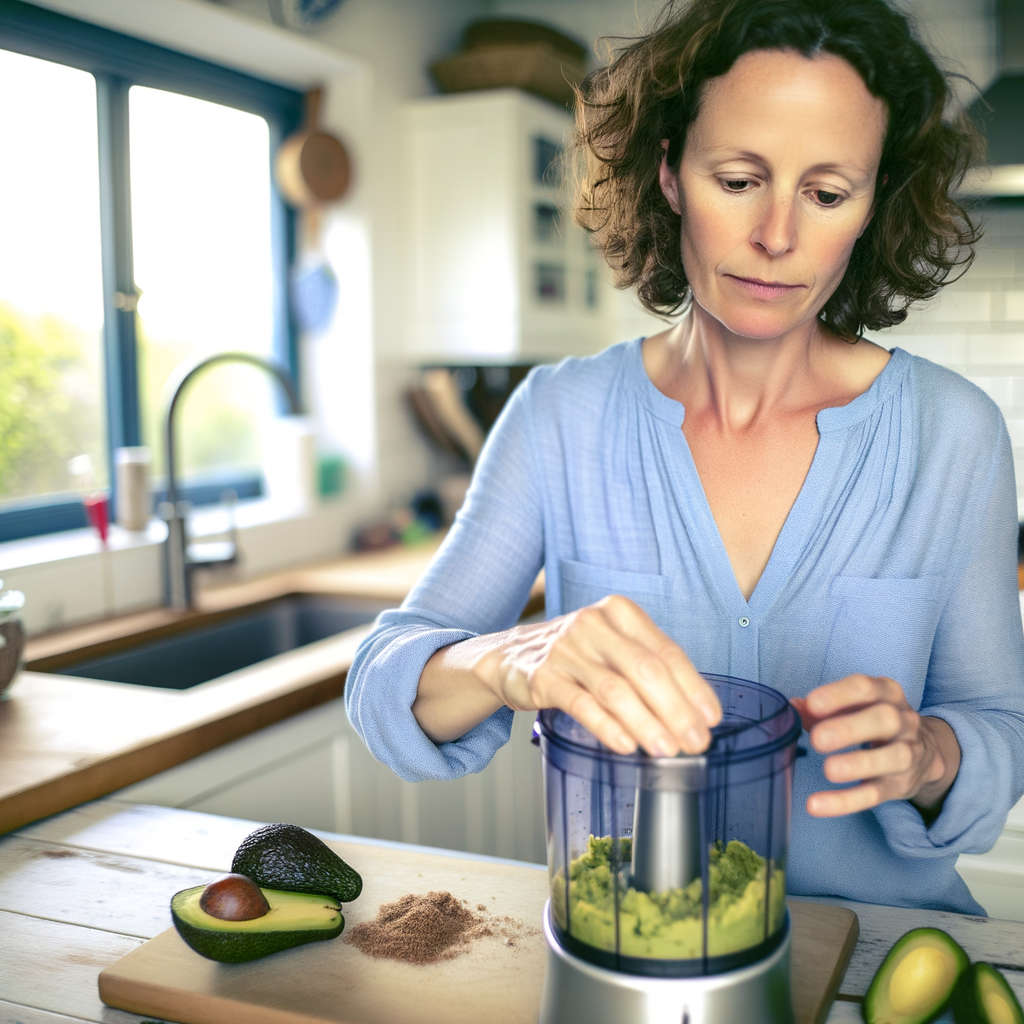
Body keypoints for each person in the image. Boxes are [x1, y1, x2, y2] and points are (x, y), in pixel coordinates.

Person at [346, 0, 1024, 914]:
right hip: (630, 957)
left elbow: (1001, 729)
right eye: (739, 179)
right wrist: (508, 658)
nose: (778, 235)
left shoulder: (957, 433)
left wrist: (932, 753)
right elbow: (384, 683)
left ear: (872, 206)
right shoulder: (560, 415)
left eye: (827, 194)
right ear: (668, 173)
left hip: (883, 959)